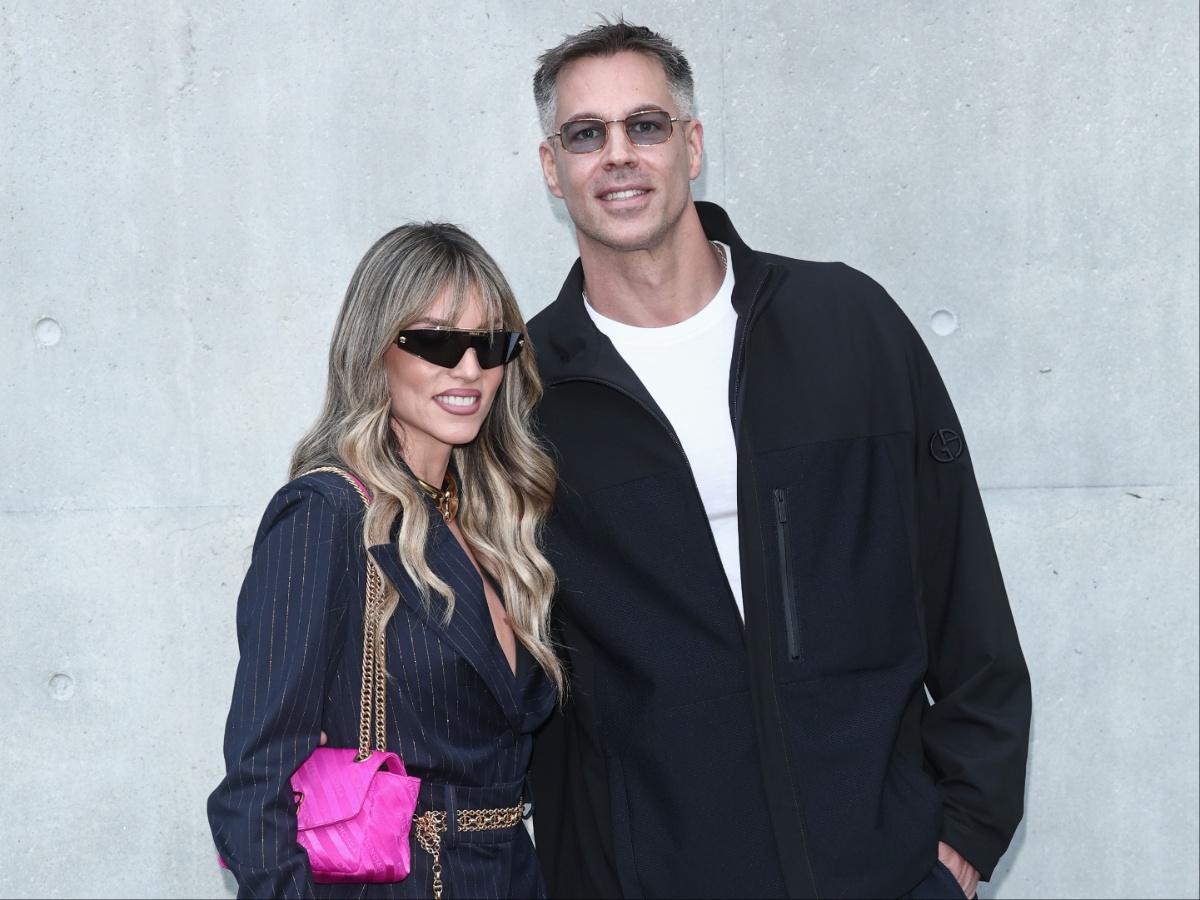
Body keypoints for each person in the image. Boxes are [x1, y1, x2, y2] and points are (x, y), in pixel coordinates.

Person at [526, 19, 1032, 900]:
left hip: (885, 872)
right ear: (551, 166)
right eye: (585, 134)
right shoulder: (528, 395)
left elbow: (963, 590)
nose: (618, 155)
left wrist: (966, 832)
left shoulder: (847, 325)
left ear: (691, 146)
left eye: (645, 125)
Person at [208, 223, 562, 899]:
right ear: (375, 348)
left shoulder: (493, 526)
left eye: (490, 343)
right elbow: (254, 789)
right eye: (437, 340)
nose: (469, 369)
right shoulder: (326, 514)